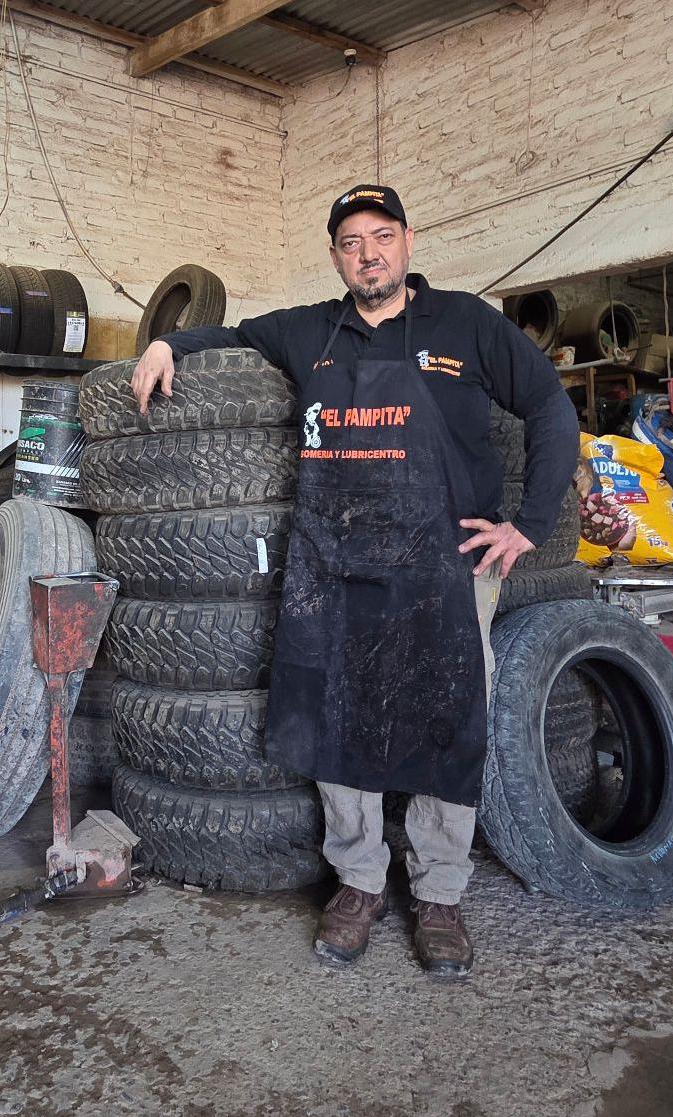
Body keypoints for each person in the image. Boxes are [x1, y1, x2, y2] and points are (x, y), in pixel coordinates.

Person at [131, 184, 579, 978]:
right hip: (337, 570)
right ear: (336, 255)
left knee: (448, 716)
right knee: (339, 716)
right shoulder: (311, 331)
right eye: (350, 241)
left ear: (407, 241)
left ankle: (439, 891)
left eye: (381, 236)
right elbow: (231, 331)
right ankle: (360, 881)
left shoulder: (466, 324)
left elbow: (548, 406)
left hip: (449, 566)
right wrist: (169, 345)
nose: (367, 252)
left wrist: (532, 524)